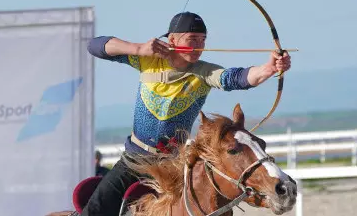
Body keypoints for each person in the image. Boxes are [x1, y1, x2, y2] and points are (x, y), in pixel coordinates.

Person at [81, 11, 291, 216]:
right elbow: (95, 46)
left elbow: (237, 78)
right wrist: (138, 48)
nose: (198, 46)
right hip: (135, 159)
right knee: (94, 211)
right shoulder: (146, 60)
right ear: (172, 39)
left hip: (174, 166)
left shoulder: (204, 72)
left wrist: (268, 69)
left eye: (202, 40)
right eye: (192, 39)